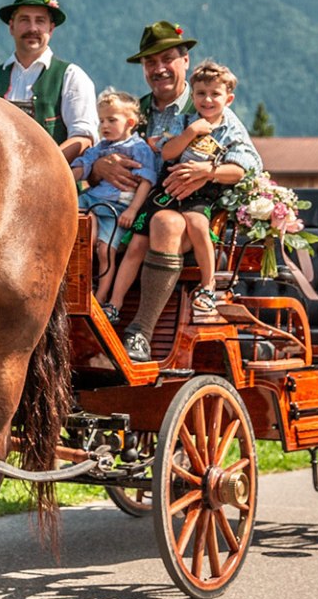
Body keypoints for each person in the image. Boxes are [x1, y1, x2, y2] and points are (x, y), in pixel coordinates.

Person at [90, 23, 259, 363]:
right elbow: (98, 157)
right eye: (150, 63)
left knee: (164, 224)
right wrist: (99, 168)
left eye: (168, 58)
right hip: (130, 208)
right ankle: (90, 319)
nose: (159, 69)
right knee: (80, 226)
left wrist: (206, 171)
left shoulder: (209, 107)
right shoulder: (133, 112)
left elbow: (250, 165)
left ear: (185, 61)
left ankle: (141, 332)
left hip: (190, 215)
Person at [0, 0, 97, 162]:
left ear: (51, 29)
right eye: (24, 20)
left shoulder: (71, 76)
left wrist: (42, 168)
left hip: (55, 187)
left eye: (40, 21)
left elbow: (84, 138)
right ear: (12, 26)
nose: (32, 28)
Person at [71, 91, 158, 314]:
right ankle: (77, 287)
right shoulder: (100, 148)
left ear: (130, 122)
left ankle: (100, 296)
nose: (104, 126)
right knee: (79, 237)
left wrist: (132, 210)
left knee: (105, 251)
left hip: (117, 208)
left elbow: (146, 182)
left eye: (111, 120)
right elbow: (82, 167)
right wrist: (64, 173)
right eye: (101, 121)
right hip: (92, 200)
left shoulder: (140, 149)